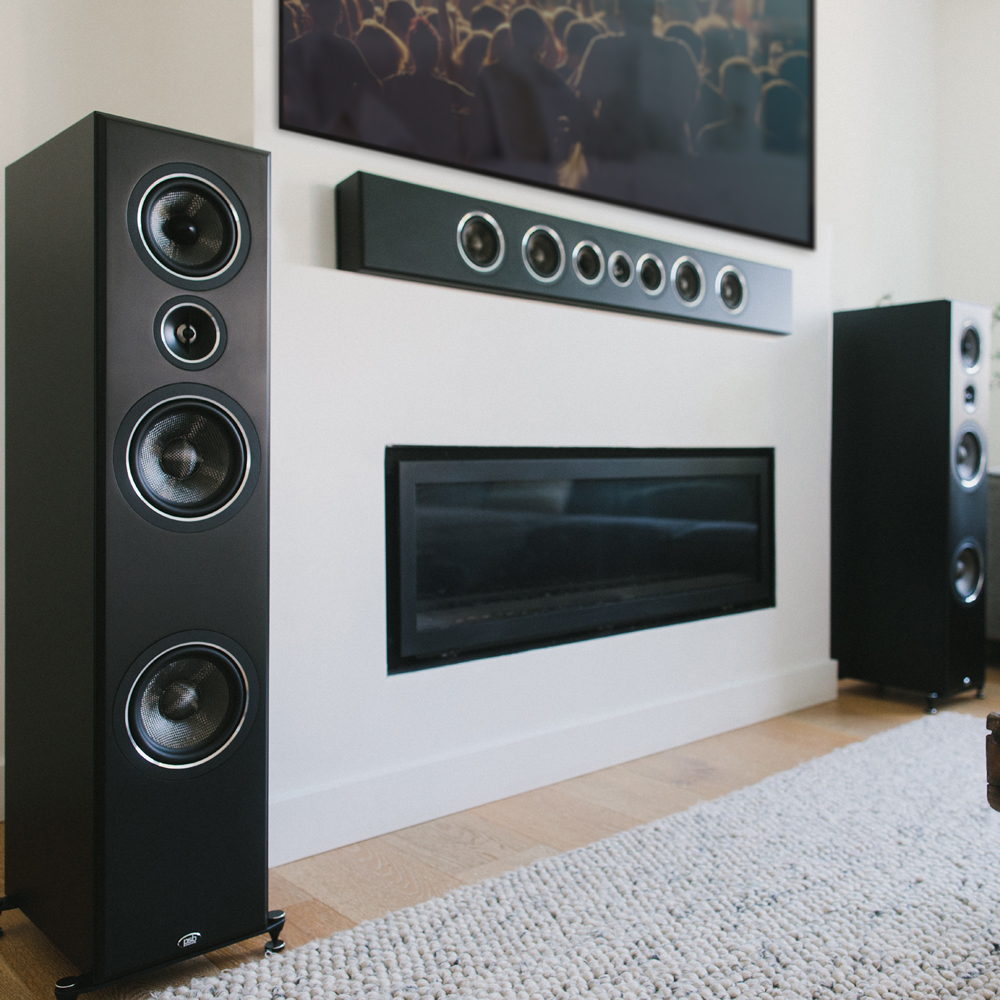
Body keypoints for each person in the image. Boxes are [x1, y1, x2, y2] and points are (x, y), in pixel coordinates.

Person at [574, 0, 699, 159]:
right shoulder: (678, 52)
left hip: (615, 156)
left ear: (619, 13)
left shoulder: (603, 49)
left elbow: (584, 104)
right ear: (654, 11)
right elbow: (688, 104)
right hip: (666, 156)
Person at [471, 5, 585, 172]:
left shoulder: (488, 75)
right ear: (542, 40)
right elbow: (581, 120)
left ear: (511, 36)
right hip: (538, 172)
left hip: (496, 169)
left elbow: (476, 129)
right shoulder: (550, 80)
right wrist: (561, 149)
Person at [282, 0, 383, 136]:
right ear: (340, 17)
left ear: (310, 12)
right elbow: (375, 87)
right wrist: (358, 117)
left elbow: (285, 97)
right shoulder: (347, 48)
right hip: (340, 131)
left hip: (302, 130)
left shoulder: (294, 48)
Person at [383, 18, 472, 159]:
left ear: (410, 49)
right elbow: (476, 104)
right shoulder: (446, 89)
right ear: (437, 53)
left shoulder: (393, 84)